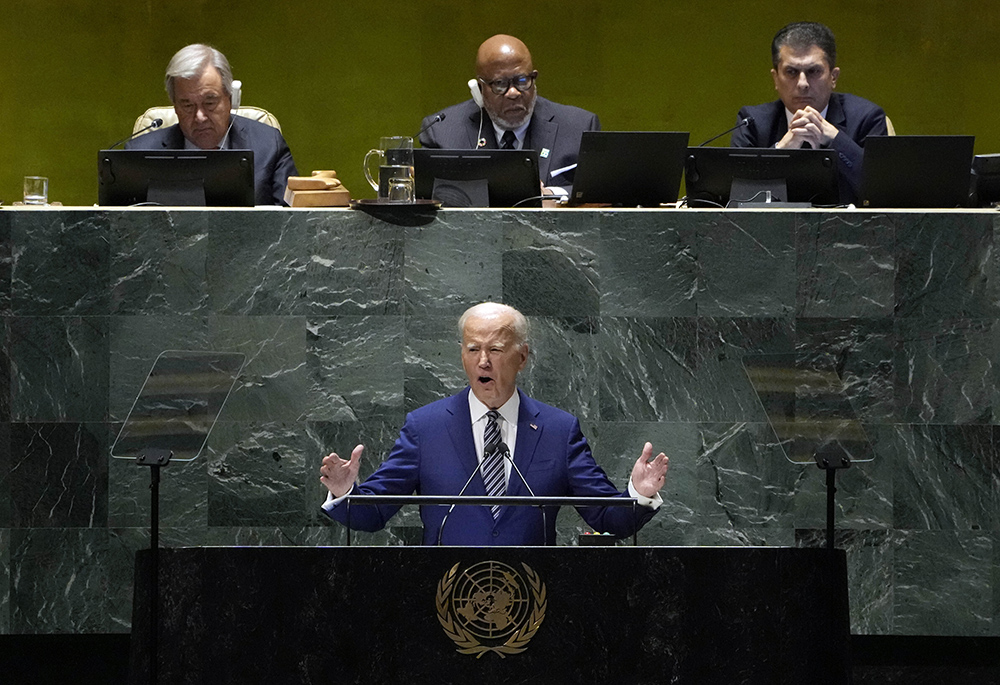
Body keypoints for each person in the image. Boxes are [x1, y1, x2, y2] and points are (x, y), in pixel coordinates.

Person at [320, 302, 669, 546]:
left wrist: (639, 493)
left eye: (496, 350)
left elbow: (607, 517)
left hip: (532, 602)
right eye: (473, 350)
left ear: (522, 356)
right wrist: (345, 492)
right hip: (444, 600)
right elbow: (373, 513)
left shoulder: (559, 431)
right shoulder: (425, 428)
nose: (483, 361)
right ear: (462, 356)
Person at [418, 34, 599, 196]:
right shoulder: (442, 133)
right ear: (479, 89)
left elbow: (600, 193)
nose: (513, 93)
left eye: (522, 81)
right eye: (500, 84)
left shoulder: (579, 127)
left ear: (534, 78)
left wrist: (553, 195)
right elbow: (430, 198)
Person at [731, 22, 888, 203]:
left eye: (813, 71)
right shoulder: (752, 122)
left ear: (833, 77)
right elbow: (737, 198)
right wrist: (781, 150)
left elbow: (882, 192)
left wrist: (835, 140)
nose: (802, 84)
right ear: (775, 78)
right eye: (791, 72)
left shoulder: (866, 118)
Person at [126, 43, 298, 206]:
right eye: (187, 105)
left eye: (210, 103)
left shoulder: (268, 146)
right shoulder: (138, 155)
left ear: (231, 99)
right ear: (175, 107)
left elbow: (292, 223)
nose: (200, 117)